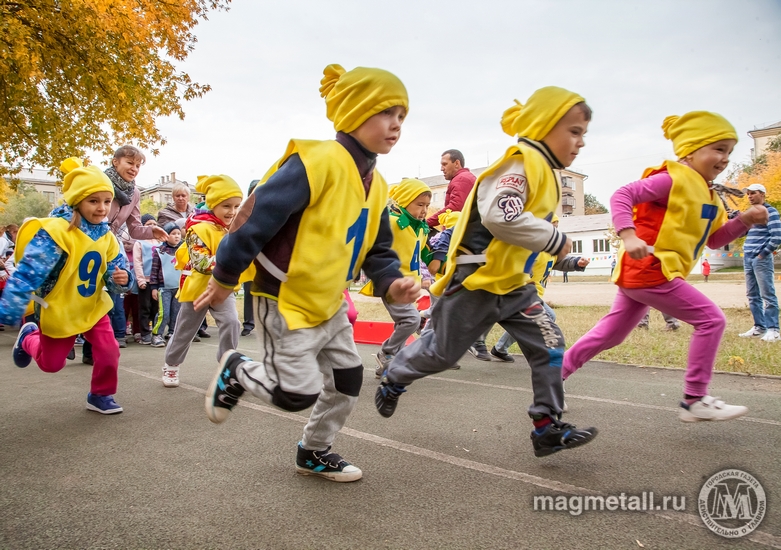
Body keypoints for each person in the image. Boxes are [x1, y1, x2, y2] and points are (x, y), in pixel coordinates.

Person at [196, 63, 418, 483]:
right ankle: (238, 369)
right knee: (296, 393)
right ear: (355, 110)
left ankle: (313, 452)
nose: (397, 125)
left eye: (402, 116)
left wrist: (392, 283)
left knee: (348, 377)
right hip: (284, 297)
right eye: (387, 112)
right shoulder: (314, 161)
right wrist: (225, 277)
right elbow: (253, 218)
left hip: (328, 301)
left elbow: (378, 247)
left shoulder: (379, 184)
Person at [376, 87, 599, 458]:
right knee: (442, 354)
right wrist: (552, 237)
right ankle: (395, 375)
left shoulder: (545, 174)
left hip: (516, 289)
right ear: (545, 126)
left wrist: (560, 256)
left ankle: (546, 425)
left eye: (583, 134)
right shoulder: (519, 164)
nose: (580, 143)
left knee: (551, 346)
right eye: (574, 131)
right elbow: (501, 217)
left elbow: (523, 243)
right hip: (475, 284)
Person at [563, 111, 768, 422]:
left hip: (646, 271)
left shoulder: (709, 193)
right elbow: (622, 195)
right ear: (690, 150)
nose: (725, 158)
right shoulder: (672, 179)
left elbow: (714, 241)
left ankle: (552, 378)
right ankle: (695, 398)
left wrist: (744, 221)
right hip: (650, 268)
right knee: (711, 319)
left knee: (611, 335)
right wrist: (628, 234)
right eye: (718, 149)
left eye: (729, 151)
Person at [1, 158, 134, 414]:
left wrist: (121, 279)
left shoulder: (107, 236)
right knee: (51, 364)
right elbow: (30, 270)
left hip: (92, 306)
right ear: (77, 201)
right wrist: (11, 306)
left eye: (107, 201)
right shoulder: (56, 232)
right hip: (60, 307)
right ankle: (29, 337)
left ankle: (100, 395)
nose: (102, 208)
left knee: (109, 349)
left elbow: (116, 269)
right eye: (93, 201)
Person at [82, 145, 168, 363]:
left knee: (111, 295)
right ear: (115, 162)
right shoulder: (99, 182)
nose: (134, 168)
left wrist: (152, 231)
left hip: (110, 244)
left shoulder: (135, 193)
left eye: (138, 165)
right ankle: (72, 337)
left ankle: (94, 351)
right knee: (83, 293)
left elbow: (134, 228)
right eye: (130, 163)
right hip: (86, 242)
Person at [161, 175, 244, 387]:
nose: (232, 211)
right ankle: (171, 364)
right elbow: (201, 262)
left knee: (232, 322)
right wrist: (230, 262)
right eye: (226, 206)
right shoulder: (197, 228)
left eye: (236, 206)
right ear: (213, 204)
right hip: (198, 287)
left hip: (222, 288)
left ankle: (227, 367)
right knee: (184, 331)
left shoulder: (233, 228)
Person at [491, 215, 590, 362]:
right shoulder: (530, 247)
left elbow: (560, 261)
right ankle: (540, 354)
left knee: (531, 320)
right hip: (524, 293)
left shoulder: (552, 250)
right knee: (546, 317)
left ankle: (500, 348)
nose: (555, 231)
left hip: (535, 293)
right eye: (551, 227)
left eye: (556, 228)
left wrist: (577, 263)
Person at [365, 178, 430, 377]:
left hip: (410, 286)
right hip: (392, 282)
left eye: (427, 206)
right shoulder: (393, 222)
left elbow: (418, 256)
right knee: (410, 320)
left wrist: (427, 274)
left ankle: (389, 365)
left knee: (406, 322)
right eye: (419, 205)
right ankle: (386, 352)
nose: (424, 210)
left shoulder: (420, 228)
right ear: (403, 201)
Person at [739, 183, 781, 342]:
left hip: (760, 257)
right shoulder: (752, 215)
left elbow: (777, 236)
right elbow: (742, 234)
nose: (749, 196)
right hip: (748, 256)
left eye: (753, 193)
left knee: (767, 294)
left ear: (762, 194)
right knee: (752, 294)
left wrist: (762, 255)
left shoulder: (771, 212)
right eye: (748, 193)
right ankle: (759, 327)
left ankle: (773, 329)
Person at [149, 222, 183, 346]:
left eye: (179, 233)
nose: (177, 236)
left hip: (179, 287)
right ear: (166, 235)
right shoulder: (160, 251)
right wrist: (154, 287)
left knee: (177, 311)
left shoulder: (183, 250)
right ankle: (157, 334)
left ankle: (173, 332)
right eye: (173, 234)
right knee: (164, 312)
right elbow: (154, 270)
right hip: (164, 288)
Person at [425, 149, 476, 231]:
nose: (441, 169)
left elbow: (455, 207)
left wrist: (427, 222)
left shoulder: (461, 179)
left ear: (457, 163)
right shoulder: (464, 177)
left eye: (445, 164)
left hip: (460, 232)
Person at [133, 213, 161, 345]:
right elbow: (137, 262)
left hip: (158, 281)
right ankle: (144, 333)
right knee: (145, 307)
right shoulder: (139, 243)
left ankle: (156, 332)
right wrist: (141, 280)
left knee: (157, 308)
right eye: (149, 224)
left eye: (154, 224)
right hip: (145, 280)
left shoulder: (160, 241)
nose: (152, 226)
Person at [241, 180, 261, 336]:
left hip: (267, 259)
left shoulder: (275, 207)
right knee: (249, 292)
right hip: (250, 260)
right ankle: (249, 324)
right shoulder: (243, 212)